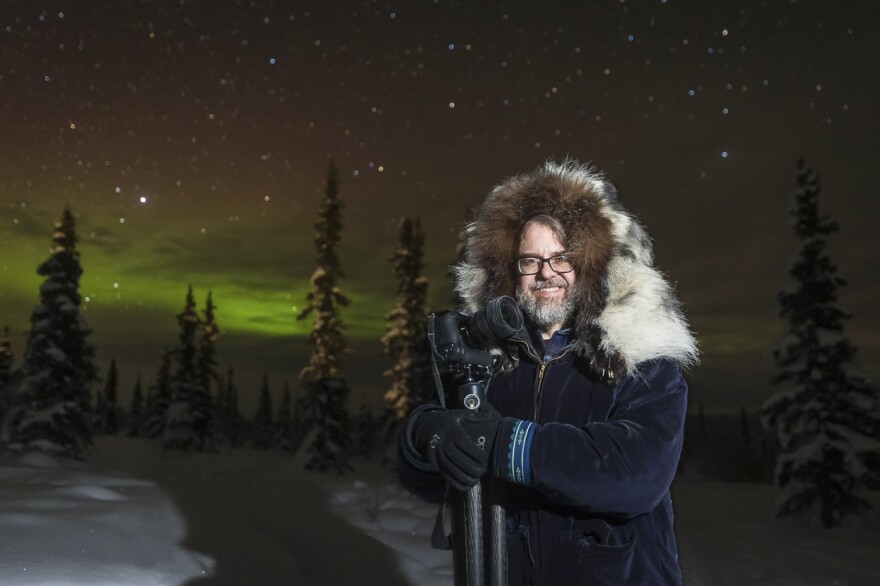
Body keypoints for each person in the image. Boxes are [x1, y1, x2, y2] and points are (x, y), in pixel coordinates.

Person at [397, 160, 699, 585]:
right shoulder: (491, 360)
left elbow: (637, 472)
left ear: (592, 264)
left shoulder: (639, 356)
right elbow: (429, 480)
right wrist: (428, 435)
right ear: (509, 270)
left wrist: (506, 444)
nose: (546, 273)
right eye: (530, 260)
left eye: (562, 258)